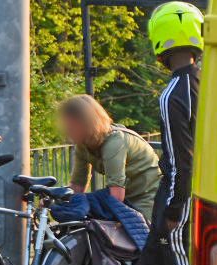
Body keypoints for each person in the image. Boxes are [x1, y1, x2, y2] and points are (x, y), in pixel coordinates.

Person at [87, 0, 202, 265]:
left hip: (177, 203)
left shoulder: (174, 92)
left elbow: (179, 159)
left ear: (160, 39)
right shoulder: (208, 82)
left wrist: (172, 212)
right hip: (177, 201)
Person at [55, 94, 160, 249]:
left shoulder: (114, 143)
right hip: (127, 196)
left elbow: (117, 196)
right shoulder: (83, 146)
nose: (67, 132)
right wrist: (56, 198)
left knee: (136, 246)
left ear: (86, 124)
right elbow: (77, 186)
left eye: (71, 127)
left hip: (148, 197)